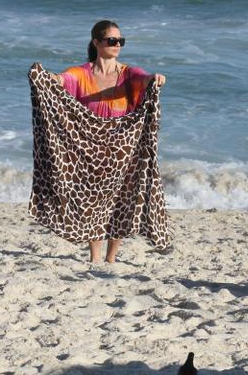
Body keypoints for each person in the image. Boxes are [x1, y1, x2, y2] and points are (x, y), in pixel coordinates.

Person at [51, 20, 166, 262]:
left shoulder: (127, 74)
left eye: (120, 41)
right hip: (91, 149)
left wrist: (154, 78)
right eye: (111, 40)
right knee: (94, 200)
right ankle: (94, 256)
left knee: (120, 202)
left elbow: (142, 79)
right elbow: (64, 80)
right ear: (96, 43)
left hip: (122, 148)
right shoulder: (82, 74)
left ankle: (111, 257)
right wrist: (52, 78)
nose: (117, 45)